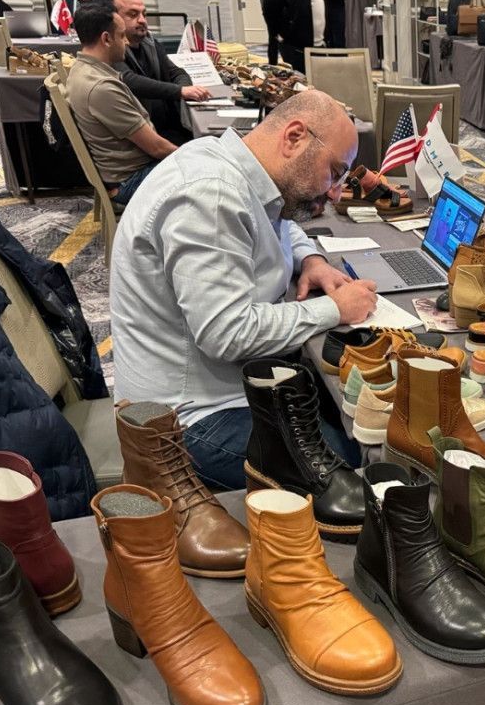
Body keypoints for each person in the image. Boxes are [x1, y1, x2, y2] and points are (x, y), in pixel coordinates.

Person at [109, 90, 378, 490]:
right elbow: (228, 332)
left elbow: (279, 219)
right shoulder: (208, 195)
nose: (337, 192)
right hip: (189, 425)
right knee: (357, 465)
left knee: (347, 411)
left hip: (220, 392)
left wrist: (311, 260)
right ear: (294, 137)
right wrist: (335, 309)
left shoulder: (230, 164)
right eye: (335, 172)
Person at [65, 2, 176, 206]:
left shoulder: (81, 69)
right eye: (122, 35)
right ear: (106, 39)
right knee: (212, 172)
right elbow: (157, 148)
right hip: (131, 179)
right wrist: (196, 157)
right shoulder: (101, 88)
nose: (126, 41)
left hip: (123, 171)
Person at [107, 0, 208, 145]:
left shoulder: (150, 43)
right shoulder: (112, 50)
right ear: (114, 19)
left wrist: (186, 91)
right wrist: (180, 91)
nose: (142, 20)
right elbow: (128, 80)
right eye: (133, 14)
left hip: (174, 128)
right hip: (149, 138)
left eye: (144, 14)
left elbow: (178, 73)